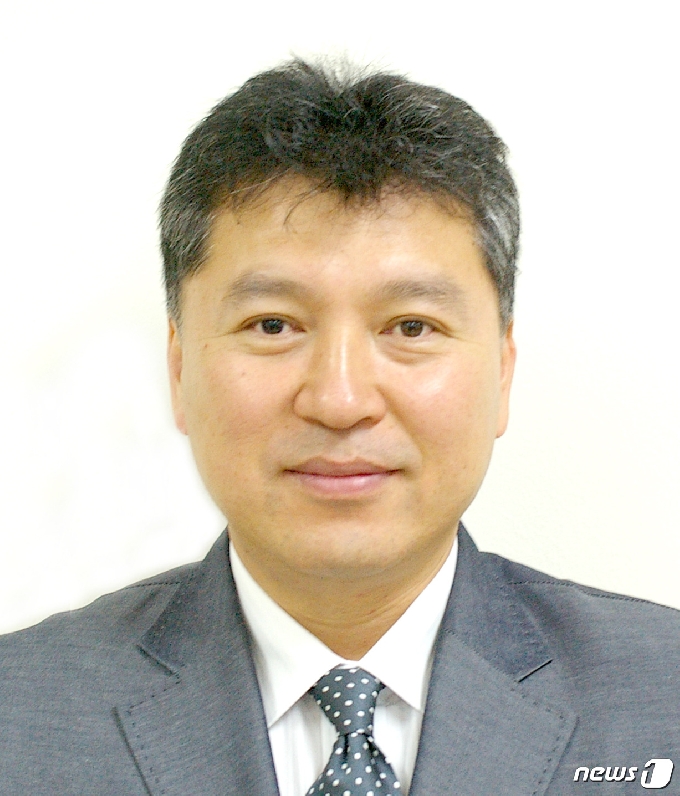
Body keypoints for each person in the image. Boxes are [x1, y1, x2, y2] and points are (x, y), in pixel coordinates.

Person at [1, 58, 679, 796]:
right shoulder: (21, 714)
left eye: (411, 326)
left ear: (502, 373)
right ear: (179, 370)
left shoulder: (662, 692)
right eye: (273, 324)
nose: (340, 399)